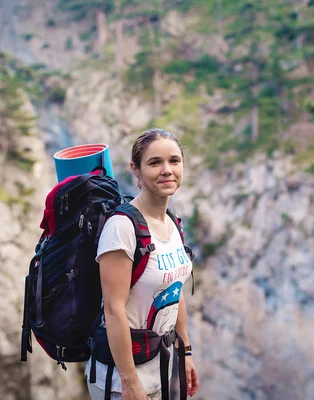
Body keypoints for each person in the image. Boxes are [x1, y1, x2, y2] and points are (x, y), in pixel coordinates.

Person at [86, 128, 199, 400]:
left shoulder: (171, 222)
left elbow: (175, 290)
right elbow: (114, 310)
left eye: (174, 160)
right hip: (118, 379)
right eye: (154, 162)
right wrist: (130, 383)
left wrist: (185, 352)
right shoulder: (122, 228)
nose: (167, 170)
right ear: (135, 169)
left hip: (158, 366)